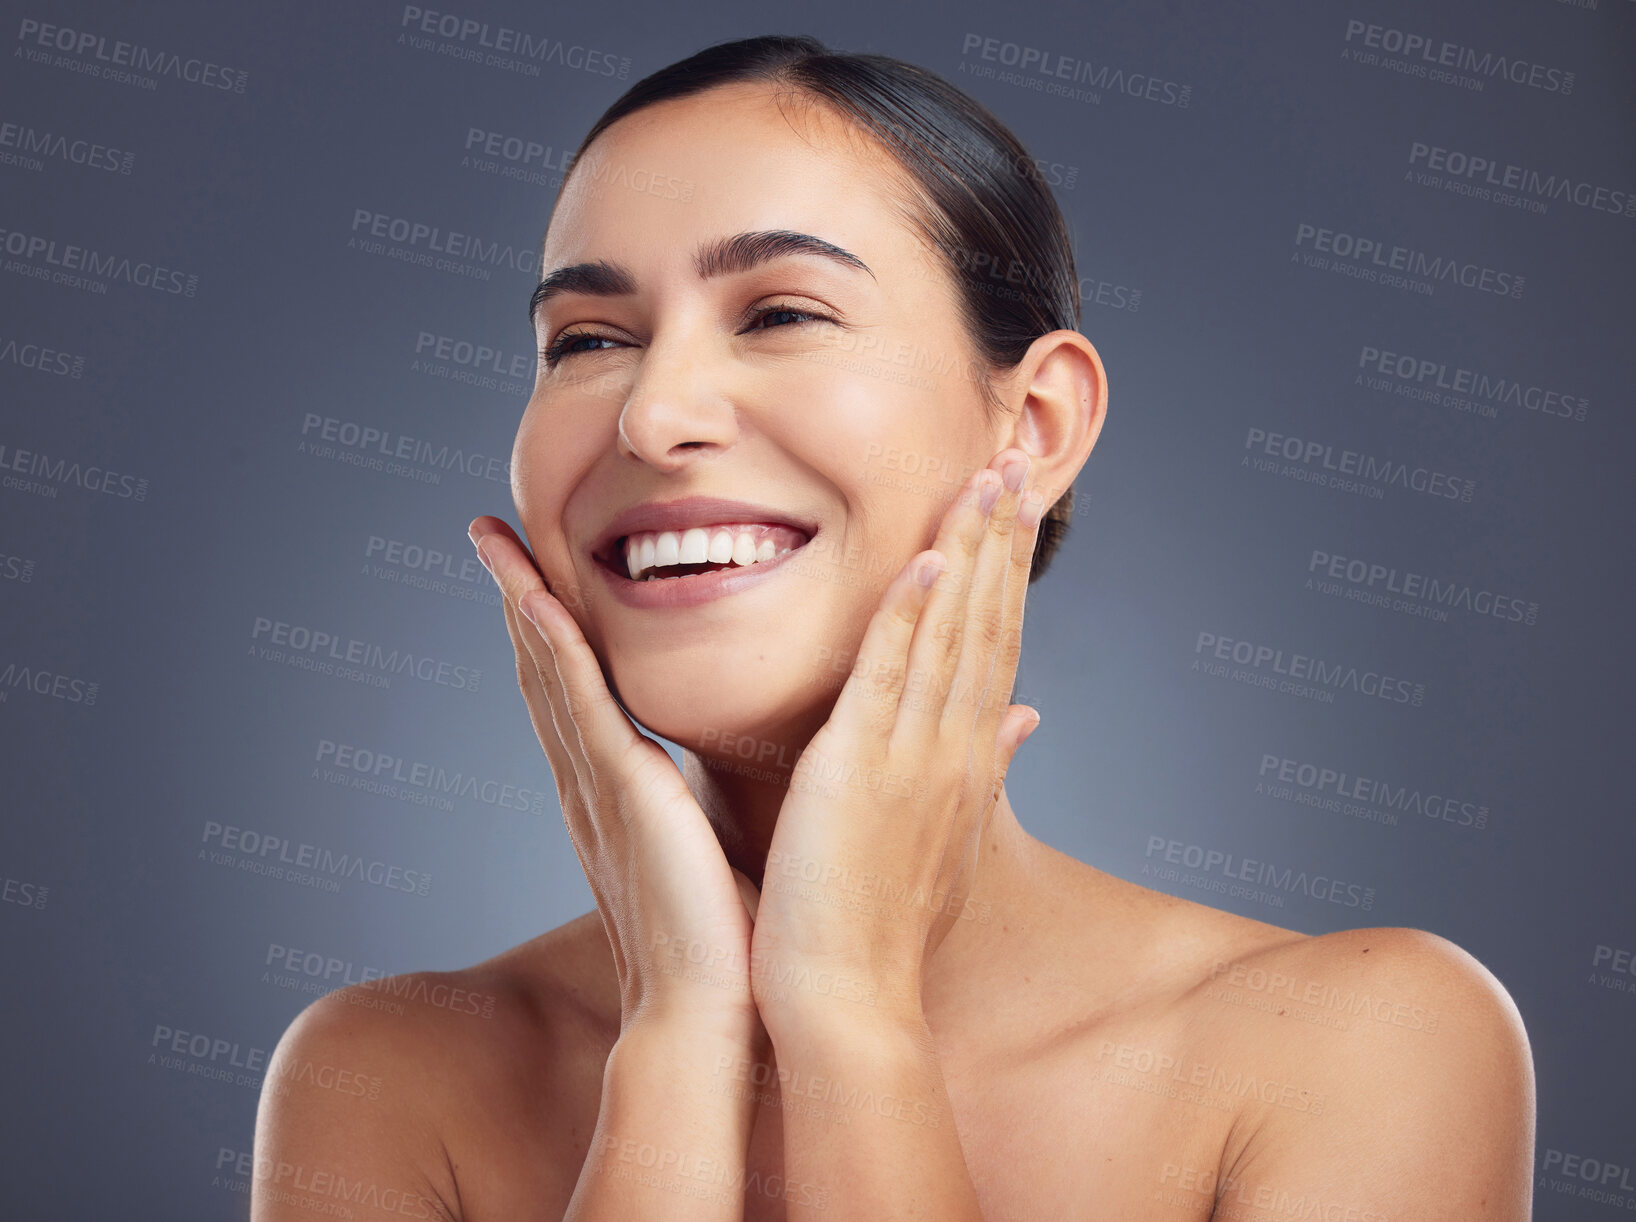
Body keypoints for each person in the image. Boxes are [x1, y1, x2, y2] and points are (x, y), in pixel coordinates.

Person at [253, 34, 1534, 1221]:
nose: (652, 415)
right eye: (587, 338)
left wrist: (849, 1011)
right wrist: (681, 1028)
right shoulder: (385, 1077)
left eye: (780, 313)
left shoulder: (1360, 1047)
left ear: (1033, 428)